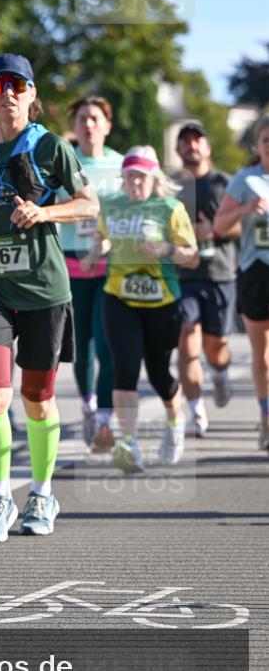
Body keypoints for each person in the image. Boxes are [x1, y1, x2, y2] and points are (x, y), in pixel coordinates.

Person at [0, 54, 99, 543]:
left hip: (42, 290)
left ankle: (42, 492)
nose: (7, 92)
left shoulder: (51, 147)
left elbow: (89, 203)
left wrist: (45, 213)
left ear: (32, 95)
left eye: (18, 84)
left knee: (36, 400)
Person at [83, 146, 199, 473]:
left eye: (140, 177)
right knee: (125, 368)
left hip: (161, 301)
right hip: (119, 296)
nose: (134, 183)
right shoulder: (113, 206)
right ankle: (128, 443)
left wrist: (166, 248)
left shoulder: (169, 208)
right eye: (129, 176)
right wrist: (96, 251)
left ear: (153, 178)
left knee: (160, 374)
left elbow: (192, 256)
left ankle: (175, 422)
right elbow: (104, 238)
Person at [58, 96, 123, 452]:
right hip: (71, 260)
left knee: (107, 341)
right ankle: (88, 403)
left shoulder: (120, 164)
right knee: (81, 346)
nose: (89, 125)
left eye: (95, 118)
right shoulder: (62, 161)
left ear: (107, 125)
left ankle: (104, 420)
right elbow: (49, 208)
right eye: (82, 118)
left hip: (110, 264)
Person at [173, 122, 239, 437]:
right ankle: (196, 412)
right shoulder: (171, 186)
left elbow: (245, 227)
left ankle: (220, 371)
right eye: (184, 141)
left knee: (217, 348)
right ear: (178, 150)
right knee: (186, 338)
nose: (191, 146)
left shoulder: (225, 183)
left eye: (197, 140)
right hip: (184, 276)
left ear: (207, 147)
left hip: (220, 275)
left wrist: (212, 230)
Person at [214, 115, 269, 452]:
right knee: (262, 356)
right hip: (255, 271)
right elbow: (220, 226)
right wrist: (246, 209)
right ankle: (266, 417)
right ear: (257, 145)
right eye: (266, 140)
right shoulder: (244, 179)